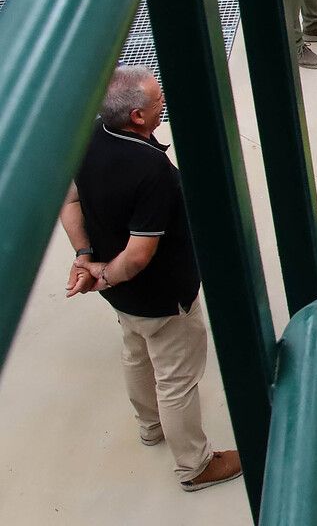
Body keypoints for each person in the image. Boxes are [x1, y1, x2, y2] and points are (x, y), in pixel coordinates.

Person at [60, 67, 242, 492]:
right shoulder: (151, 169)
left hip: (122, 295)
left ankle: (150, 426)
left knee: (135, 352)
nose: (164, 104)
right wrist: (104, 275)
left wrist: (87, 259)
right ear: (137, 117)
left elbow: (69, 199)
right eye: (158, 101)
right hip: (163, 294)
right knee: (176, 378)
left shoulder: (87, 136)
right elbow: (140, 254)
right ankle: (195, 467)